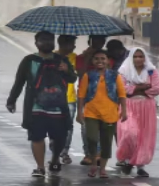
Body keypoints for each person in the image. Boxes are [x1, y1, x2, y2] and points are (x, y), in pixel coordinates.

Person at [6, 31, 76, 177]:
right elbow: (19, 82)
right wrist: (11, 100)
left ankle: (55, 159)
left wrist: (66, 69)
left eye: (50, 40)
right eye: (43, 40)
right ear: (36, 43)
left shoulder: (61, 60)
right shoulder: (29, 61)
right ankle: (40, 167)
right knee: (36, 137)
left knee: (59, 137)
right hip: (35, 107)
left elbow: (72, 79)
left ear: (54, 43)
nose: (46, 43)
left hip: (58, 108)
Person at [77, 50, 128, 178]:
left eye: (103, 59)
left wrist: (124, 111)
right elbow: (81, 95)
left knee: (106, 142)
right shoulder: (88, 76)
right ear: (93, 61)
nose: (100, 61)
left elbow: (122, 94)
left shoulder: (115, 76)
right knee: (92, 139)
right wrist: (79, 112)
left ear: (108, 61)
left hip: (110, 113)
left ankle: (103, 168)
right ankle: (94, 164)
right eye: (97, 59)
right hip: (91, 112)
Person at [116, 47, 159, 177]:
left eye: (141, 56)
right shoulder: (124, 71)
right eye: (135, 56)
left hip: (147, 108)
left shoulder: (151, 71)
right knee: (130, 133)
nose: (138, 59)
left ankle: (140, 165)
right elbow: (122, 89)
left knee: (144, 137)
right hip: (128, 106)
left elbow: (157, 89)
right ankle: (126, 159)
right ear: (131, 58)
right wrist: (141, 88)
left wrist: (135, 89)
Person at [75, 35, 108, 166]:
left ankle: (98, 153)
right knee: (85, 127)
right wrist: (87, 59)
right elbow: (80, 74)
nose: (98, 43)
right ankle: (89, 153)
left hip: (103, 97)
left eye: (100, 40)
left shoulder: (106, 58)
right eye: (95, 40)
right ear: (90, 41)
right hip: (86, 96)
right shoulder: (81, 58)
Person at [52, 35, 78, 165]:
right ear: (64, 44)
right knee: (54, 127)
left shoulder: (74, 58)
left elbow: (73, 77)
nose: (74, 46)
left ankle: (64, 152)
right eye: (72, 44)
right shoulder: (51, 58)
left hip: (70, 97)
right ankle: (55, 151)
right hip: (54, 98)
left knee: (68, 127)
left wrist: (68, 70)